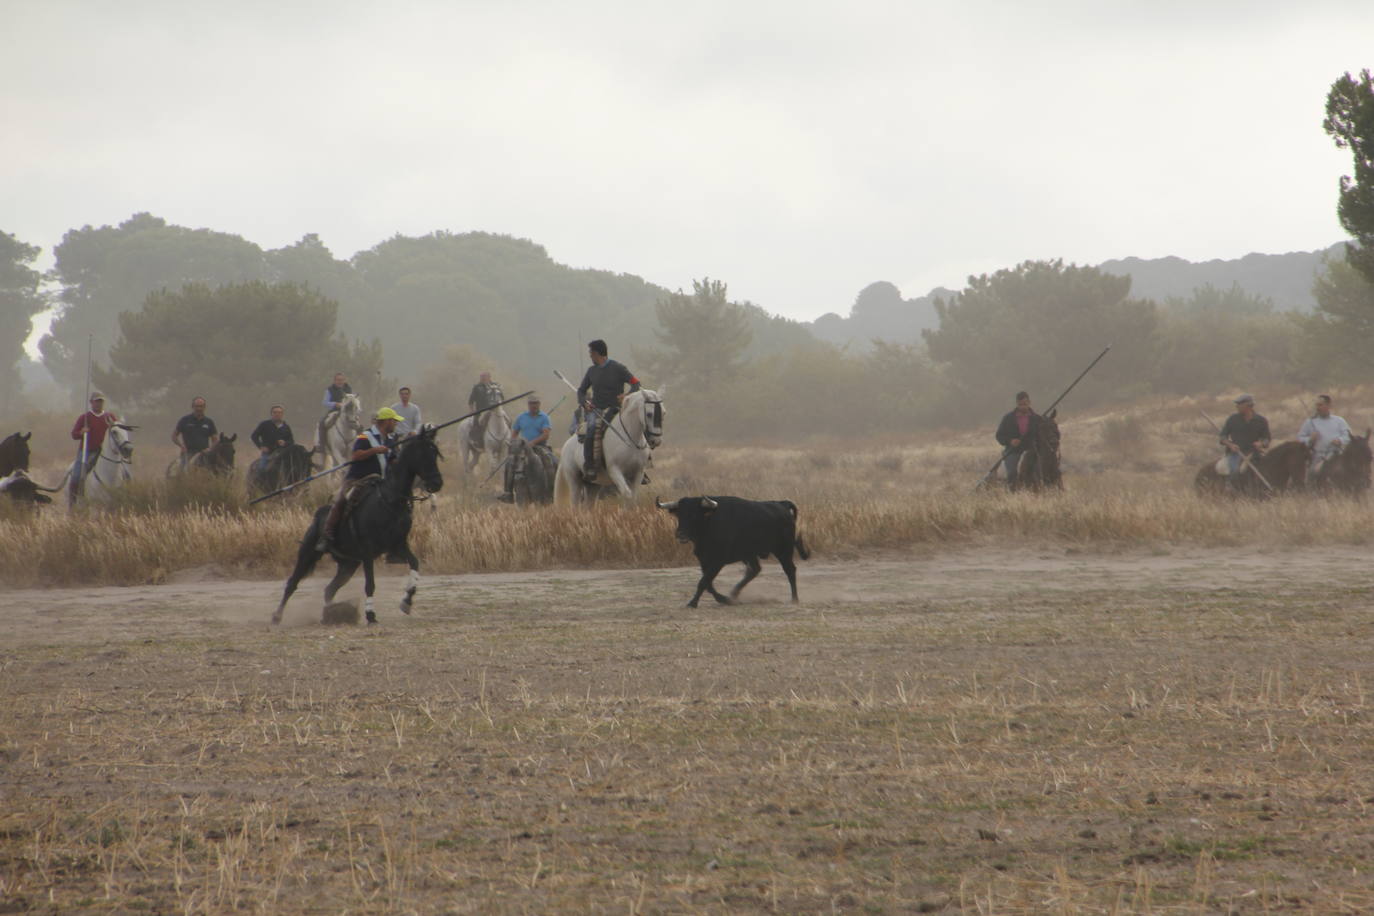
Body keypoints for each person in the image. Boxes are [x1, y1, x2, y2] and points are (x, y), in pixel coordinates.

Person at [317, 407, 402, 553]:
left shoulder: (390, 439)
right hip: (358, 479)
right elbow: (356, 455)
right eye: (394, 421)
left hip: (380, 480)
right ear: (387, 421)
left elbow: (393, 460)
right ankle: (327, 534)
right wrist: (375, 450)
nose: (396, 424)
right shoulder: (365, 436)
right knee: (342, 499)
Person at [575, 339, 640, 482]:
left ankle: (642, 463)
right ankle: (590, 465)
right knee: (591, 428)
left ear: (597, 353)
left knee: (636, 425)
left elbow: (636, 384)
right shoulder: (591, 371)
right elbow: (581, 391)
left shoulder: (618, 368)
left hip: (617, 409)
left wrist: (627, 395)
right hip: (596, 409)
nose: (590, 356)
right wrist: (585, 403)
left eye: (591, 353)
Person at [502, 394, 553, 501]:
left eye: (535, 403)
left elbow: (545, 434)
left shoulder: (544, 417)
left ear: (539, 404)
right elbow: (514, 433)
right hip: (522, 448)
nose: (533, 406)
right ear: (528, 405)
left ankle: (550, 492)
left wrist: (532, 443)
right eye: (531, 403)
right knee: (509, 463)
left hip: (540, 447)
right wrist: (514, 444)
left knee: (552, 461)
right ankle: (508, 493)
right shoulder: (521, 417)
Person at [69, 391, 118, 501]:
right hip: (87, 451)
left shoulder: (110, 417)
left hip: (104, 452)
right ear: (91, 402)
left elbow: (116, 432)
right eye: (97, 401)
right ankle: (73, 502)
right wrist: (82, 432)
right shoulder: (85, 418)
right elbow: (74, 434)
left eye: (101, 401)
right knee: (76, 476)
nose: (99, 404)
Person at [1218, 393, 1271, 489]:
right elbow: (1222, 437)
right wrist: (1230, 445)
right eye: (1237, 404)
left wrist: (1261, 443)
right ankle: (1231, 489)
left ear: (1248, 406)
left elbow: (1267, 439)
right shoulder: (1232, 419)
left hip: (1254, 454)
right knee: (1235, 471)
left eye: (1240, 404)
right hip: (1236, 453)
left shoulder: (1261, 420)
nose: (1237, 406)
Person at [1297, 394, 1352, 478]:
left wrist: (1340, 440)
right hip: (1316, 457)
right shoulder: (1310, 422)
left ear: (1328, 405)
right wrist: (1310, 439)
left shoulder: (1339, 421)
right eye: (1317, 405)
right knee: (1312, 473)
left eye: (1320, 405)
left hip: (1336, 456)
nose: (1318, 408)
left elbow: (1349, 437)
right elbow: (1300, 439)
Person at [994, 391, 1040, 488]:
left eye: (1025, 404)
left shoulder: (1037, 419)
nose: (1023, 407)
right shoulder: (1008, 418)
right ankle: (1012, 492)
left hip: (1032, 451)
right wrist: (1010, 441)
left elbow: (1042, 437)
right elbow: (999, 436)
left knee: (1039, 472)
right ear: (1017, 404)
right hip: (1013, 451)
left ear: (1029, 402)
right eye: (1020, 404)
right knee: (1011, 472)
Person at [173, 397, 219, 469]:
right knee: (183, 470)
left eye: (201, 406)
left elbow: (215, 440)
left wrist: (210, 449)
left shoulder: (209, 422)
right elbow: (174, 436)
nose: (199, 409)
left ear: (204, 407)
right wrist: (181, 446)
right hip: (188, 452)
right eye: (196, 406)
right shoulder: (184, 420)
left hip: (204, 453)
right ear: (192, 407)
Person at [250, 405, 295, 474]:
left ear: (282, 414)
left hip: (283, 454)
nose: (277, 414)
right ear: (271, 414)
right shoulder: (264, 424)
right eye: (275, 412)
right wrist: (261, 446)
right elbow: (254, 436)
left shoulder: (286, 427)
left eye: (280, 412)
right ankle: (260, 483)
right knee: (262, 469)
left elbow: (292, 441)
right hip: (268, 454)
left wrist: (285, 443)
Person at [467, 371, 504, 449]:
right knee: (476, 424)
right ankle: (477, 440)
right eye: (481, 377)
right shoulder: (477, 387)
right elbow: (471, 401)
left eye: (484, 376)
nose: (483, 378)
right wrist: (472, 411)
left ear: (489, 377)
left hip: (495, 410)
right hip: (481, 411)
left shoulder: (496, 385)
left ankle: (507, 439)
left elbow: (502, 398)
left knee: (507, 420)